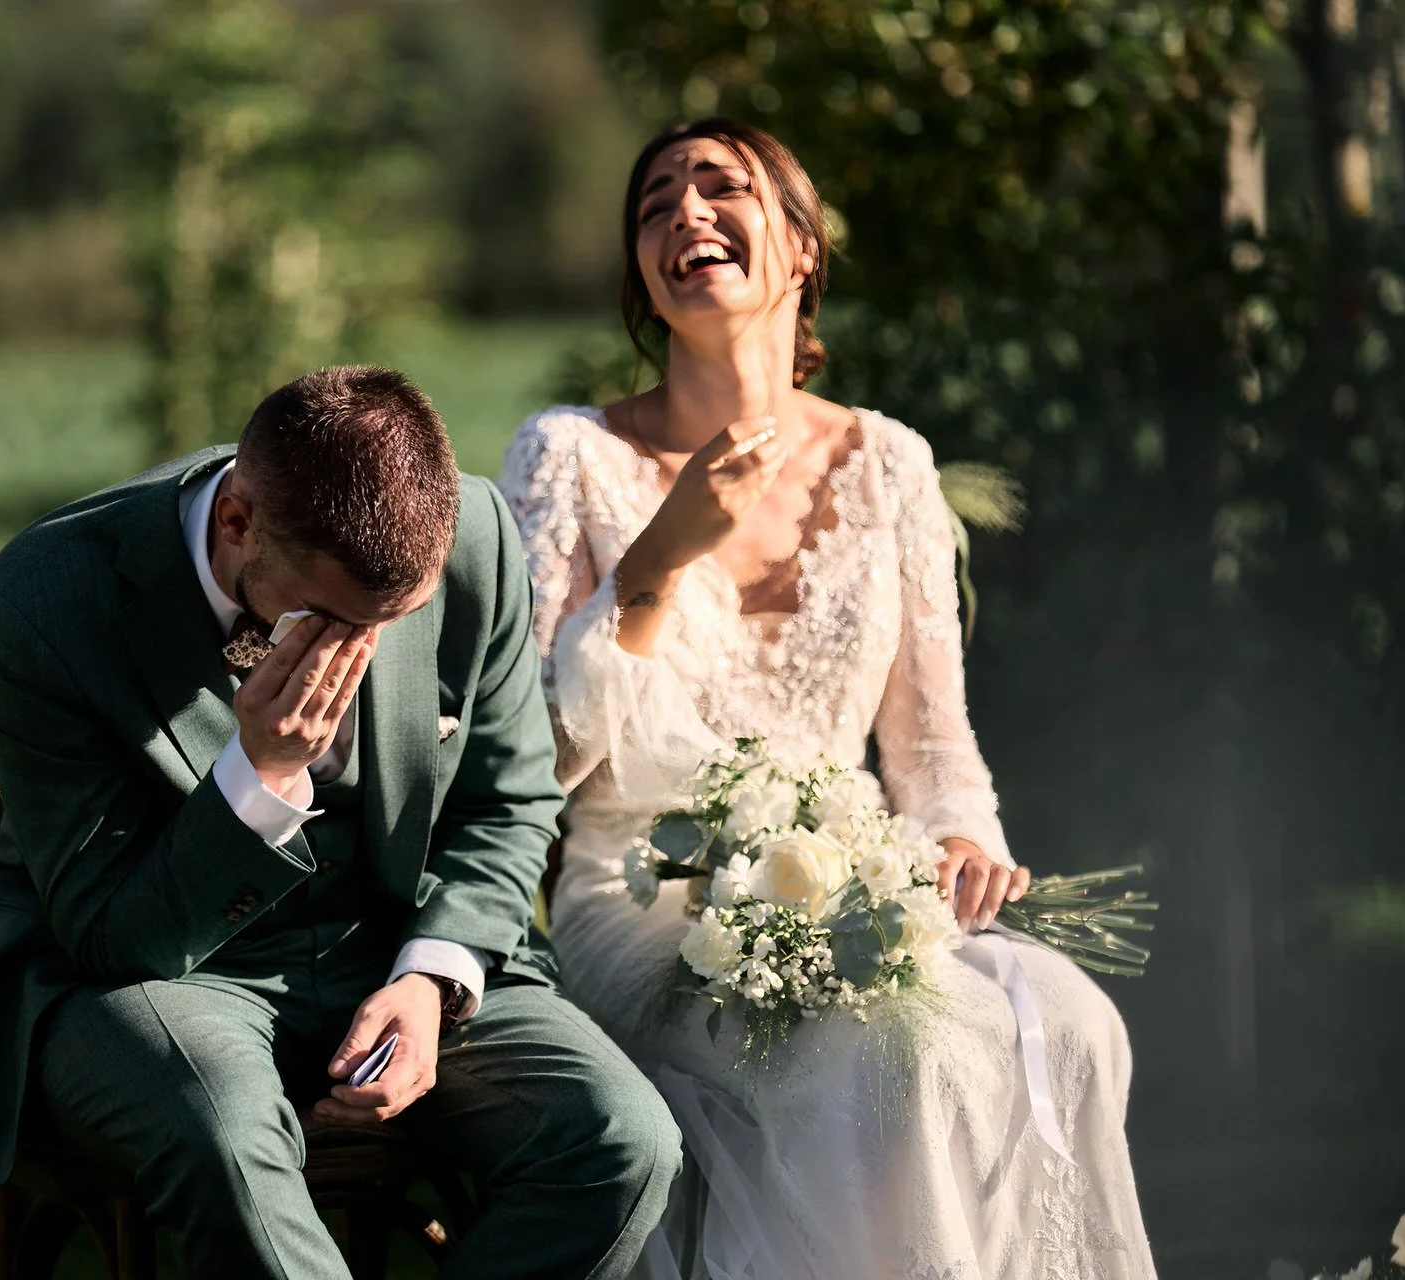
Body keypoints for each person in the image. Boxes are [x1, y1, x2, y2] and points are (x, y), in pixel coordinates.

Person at [498, 120, 1155, 1280]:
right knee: (899, 1058)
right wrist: (657, 558)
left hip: (863, 880)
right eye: (655, 202)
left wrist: (962, 842)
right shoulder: (568, 455)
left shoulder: (890, 461)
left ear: (800, 249)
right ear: (641, 277)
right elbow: (527, 759)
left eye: (721, 187)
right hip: (641, 898)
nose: (685, 214)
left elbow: (933, 739)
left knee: (1071, 1020)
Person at [0, 365, 680, 1280]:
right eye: (331, 619)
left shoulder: (477, 535)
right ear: (238, 522)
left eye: (390, 623)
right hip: (161, 978)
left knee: (620, 1141)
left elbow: (511, 800)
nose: (360, 653)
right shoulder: (44, 604)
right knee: (223, 1133)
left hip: (399, 941)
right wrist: (260, 772)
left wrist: (432, 981)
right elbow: (106, 931)